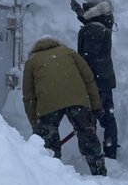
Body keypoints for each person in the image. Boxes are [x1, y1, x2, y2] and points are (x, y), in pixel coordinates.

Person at [22, 37, 107, 175]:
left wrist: (35, 124)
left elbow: (29, 96)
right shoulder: (69, 52)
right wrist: (95, 105)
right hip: (77, 99)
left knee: (48, 142)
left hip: (48, 102)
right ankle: (99, 169)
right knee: (87, 135)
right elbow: (88, 79)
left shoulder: (32, 61)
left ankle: (52, 174)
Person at [74, 0, 118, 160]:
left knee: (88, 119)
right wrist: (78, 11)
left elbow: (88, 58)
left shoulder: (93, 29)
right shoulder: (103, 24)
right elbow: (88, 20)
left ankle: (92, 155)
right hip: (105, 80)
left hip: (95, 82)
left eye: (86, 8)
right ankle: (110, 152)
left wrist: (84, 79)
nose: (84, 10)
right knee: (108, 118)